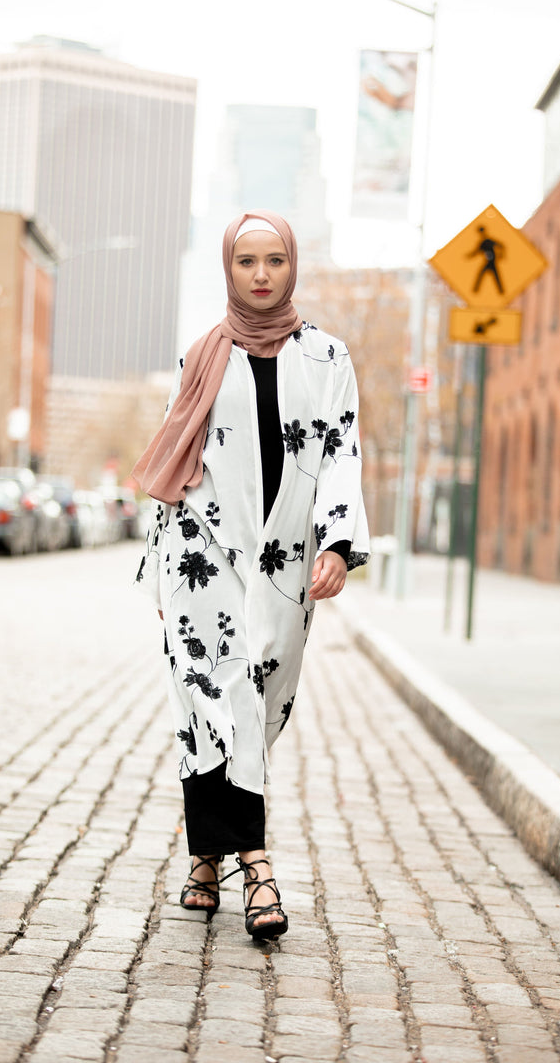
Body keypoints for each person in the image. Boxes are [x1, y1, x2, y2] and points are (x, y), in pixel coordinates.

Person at [133, 210, 370, 941]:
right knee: (213, 697)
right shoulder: (202, 353)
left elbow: (340, 454)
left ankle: (205, 856)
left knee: (260, 705)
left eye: (273, 260)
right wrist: (161, 577)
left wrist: (336, 543)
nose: (261, 274)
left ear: (291, 267)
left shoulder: (329, 360)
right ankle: (257, 865)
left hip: (286, 564)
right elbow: (179, 464)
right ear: (228, 270)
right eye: (246, 262)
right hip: (201, 553)